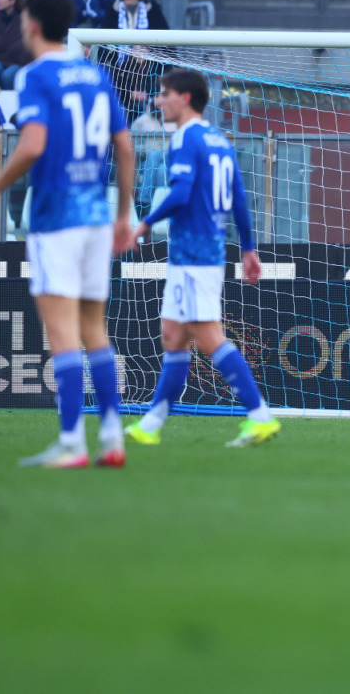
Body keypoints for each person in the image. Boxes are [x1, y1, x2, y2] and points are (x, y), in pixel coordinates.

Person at [0, 0, 136, 469]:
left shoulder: (35, 74)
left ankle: (71, 442)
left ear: (32, 24)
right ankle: (111, 436)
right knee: (94, 330)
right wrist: (123, 215)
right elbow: (125, 149)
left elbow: (33, 143)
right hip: (96, 218)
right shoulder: (95, 73)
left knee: (62, 333)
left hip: (55, 220)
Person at [122, 69, 280, 448]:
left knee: (209, 337)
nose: (159, 102)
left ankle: (259, 416)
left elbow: (180, 194)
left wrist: (144, 222)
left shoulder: (185, 138)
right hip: (202, 251)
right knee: (173, 336)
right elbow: (239, 198)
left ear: (186, 98)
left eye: (165, 95)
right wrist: (247, 247)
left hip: (194, 253)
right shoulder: (219, 139)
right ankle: (151, 424)